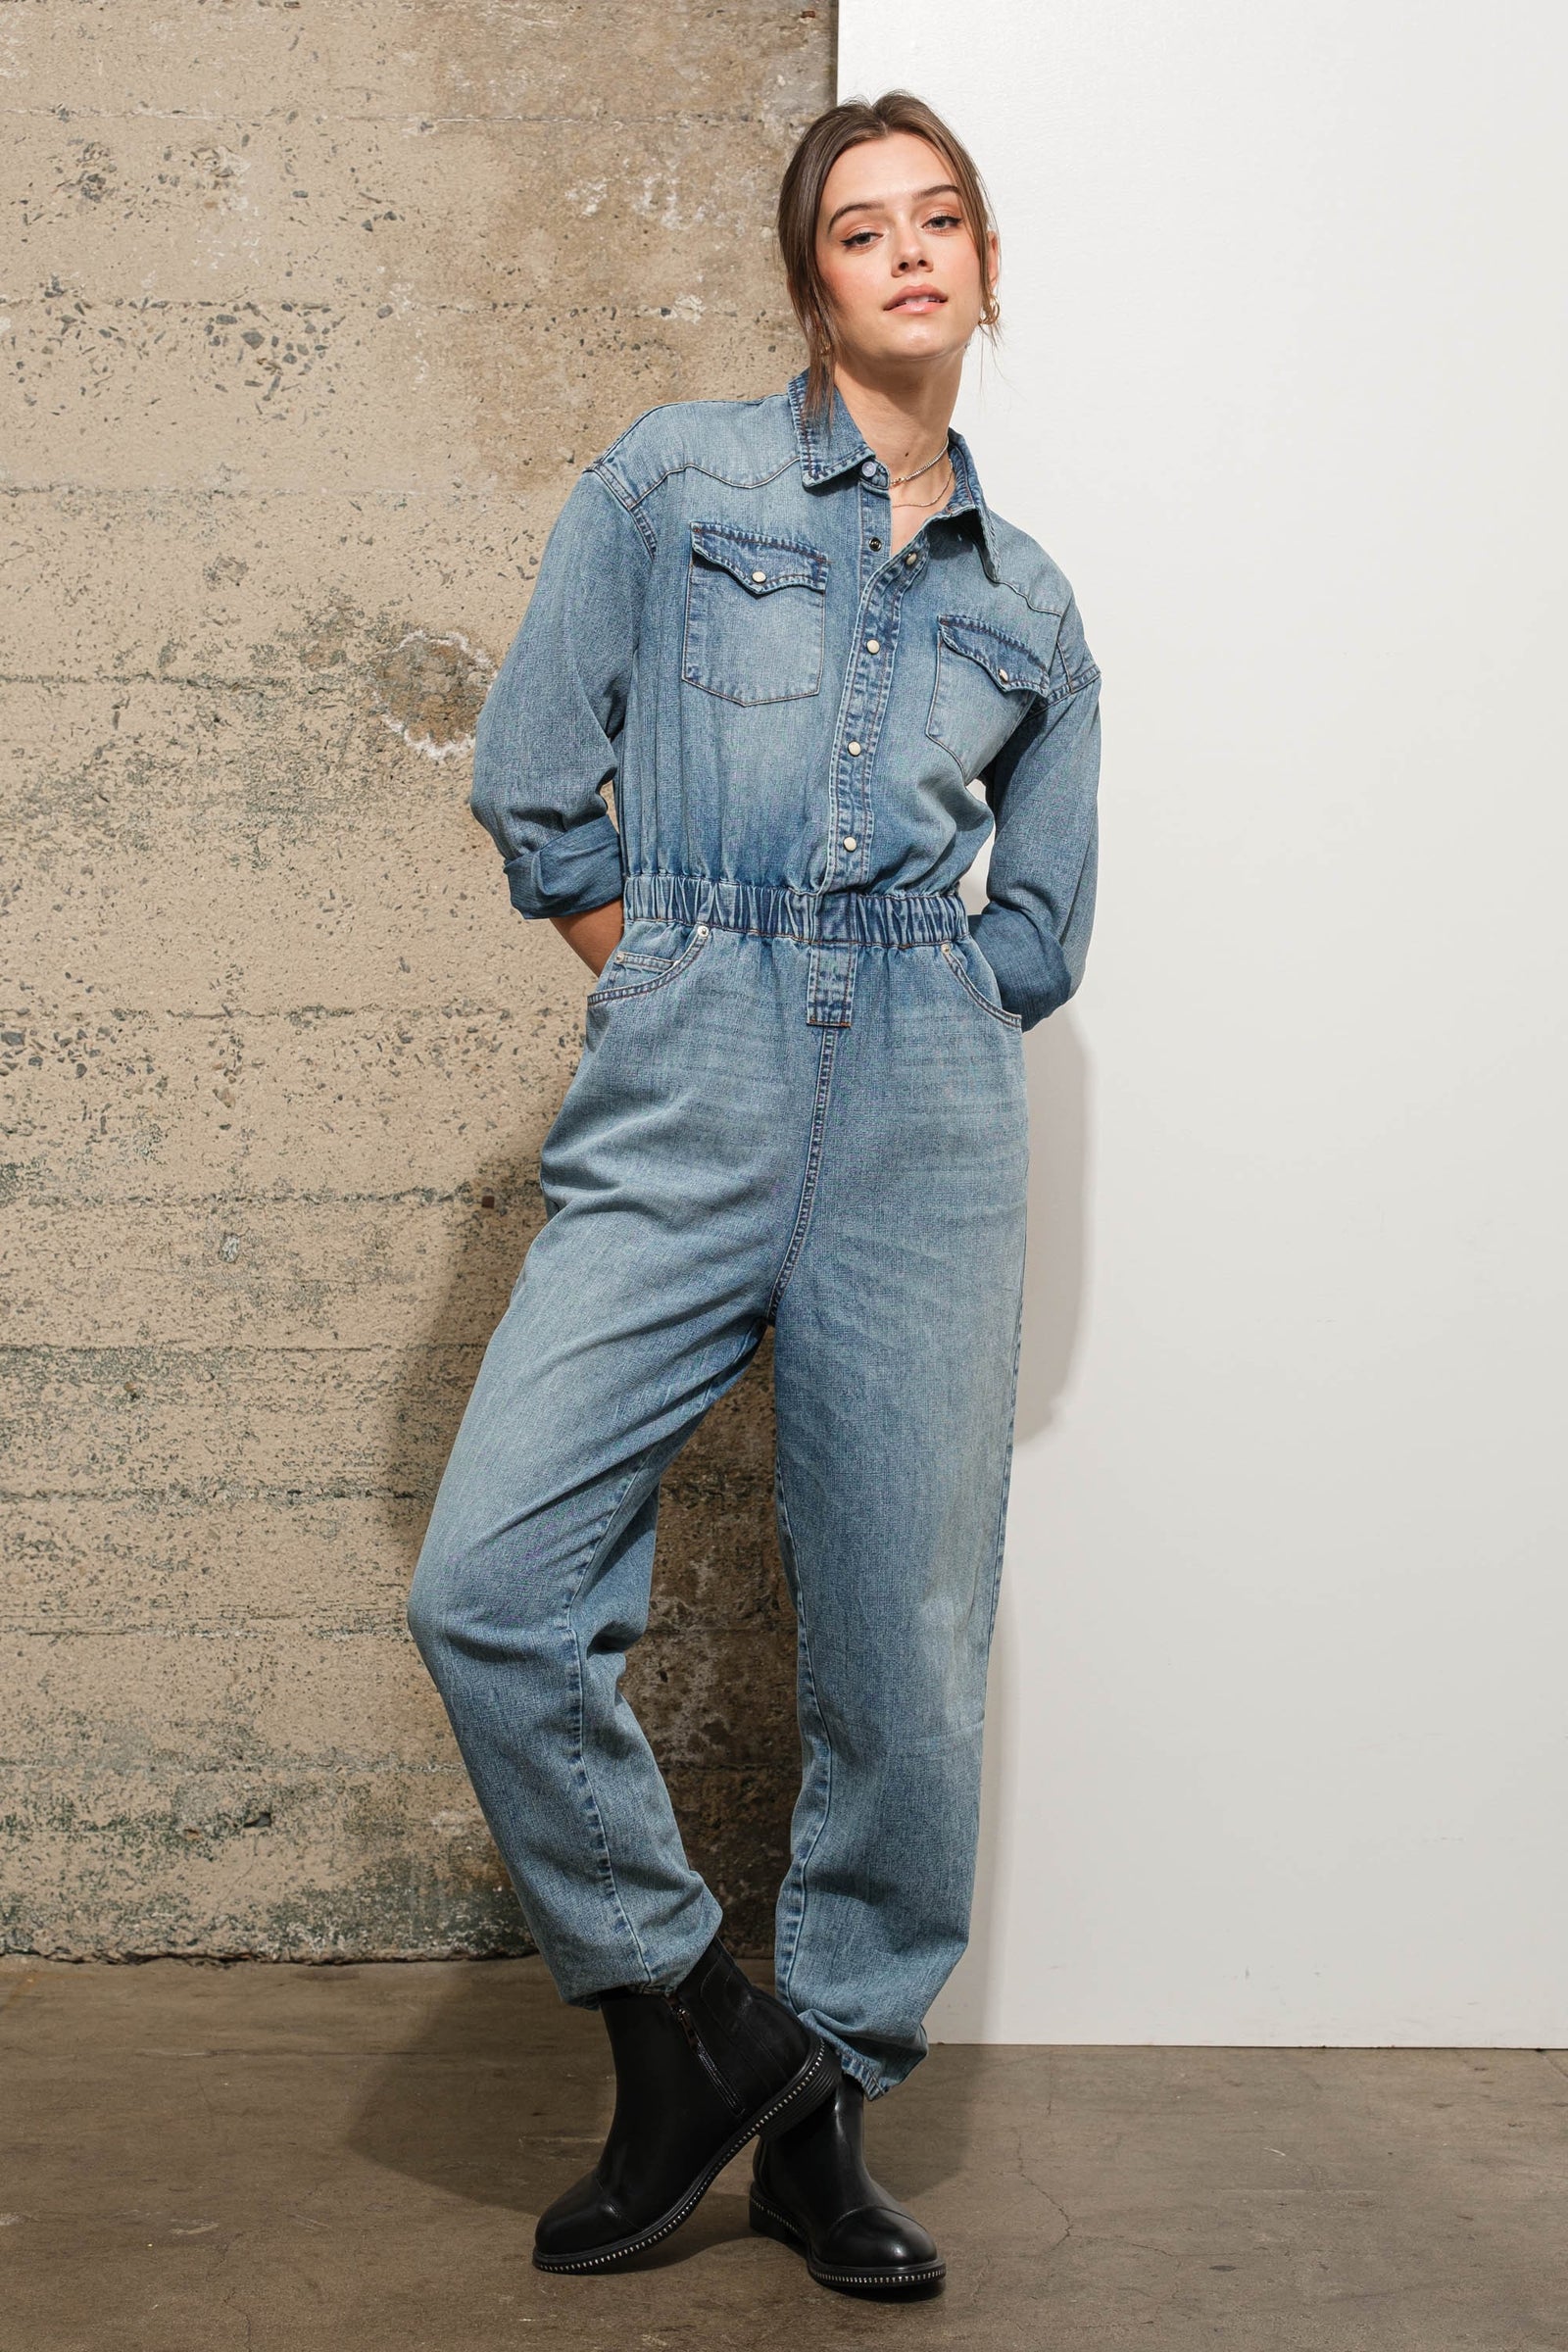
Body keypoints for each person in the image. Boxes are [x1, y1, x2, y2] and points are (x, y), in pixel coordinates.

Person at [407, 88, 1102, 2299]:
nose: (908, 253)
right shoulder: (675, 480)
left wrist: (910, 1016)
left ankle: (822, 2125)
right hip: (691, 1062)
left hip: (922, 1117)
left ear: (984, 266)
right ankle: (690, 2024)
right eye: (861, 227)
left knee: (905, 1648)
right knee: (491, 1582)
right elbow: (539, 778)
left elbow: (1041, 926)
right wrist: (678, 981)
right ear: (810, 279)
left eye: (941, 219)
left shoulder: (1031, 604)